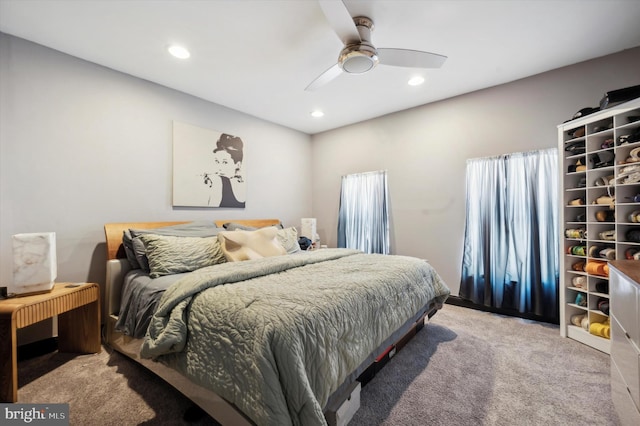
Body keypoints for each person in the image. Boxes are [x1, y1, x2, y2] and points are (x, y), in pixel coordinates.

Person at [203, 133, 246, 207]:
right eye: (217, 161)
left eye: (225, 162)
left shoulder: (218, 181)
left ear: (237, 165)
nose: (219, 167)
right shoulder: (216, 181)